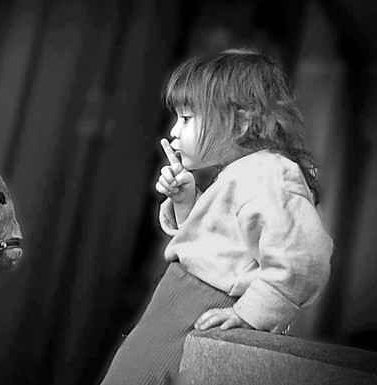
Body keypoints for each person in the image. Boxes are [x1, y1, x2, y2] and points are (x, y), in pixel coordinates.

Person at [99, 48, 333, 384]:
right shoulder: (241, 173)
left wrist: (251, 314)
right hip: (171, 314)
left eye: (187, 118)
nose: (175, 131)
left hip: (194, 318)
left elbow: (305, 259)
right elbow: (219, 249)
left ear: (241, 119)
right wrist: (185, 200)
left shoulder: (269, 172)